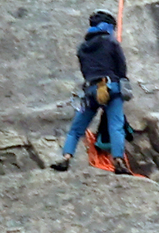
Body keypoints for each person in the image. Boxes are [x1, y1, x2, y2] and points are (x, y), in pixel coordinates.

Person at [51, 10, 133, 174]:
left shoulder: (82, 48)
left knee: (76, 129)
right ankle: (118, 160)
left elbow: (85, 70)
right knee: (115, 125)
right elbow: (121, 67)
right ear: (109, 26)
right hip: (111, 88)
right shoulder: (111, 42)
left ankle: (66, 157)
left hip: (90, 90)